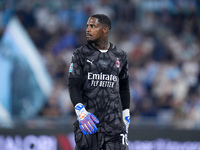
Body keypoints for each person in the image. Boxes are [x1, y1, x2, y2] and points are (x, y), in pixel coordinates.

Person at [68, 14, 131, 150]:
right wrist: (80, 111)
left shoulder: (120, 55)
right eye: (87, 26)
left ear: (105, 30)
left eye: (93, 26)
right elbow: (73, 86)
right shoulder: (80, 54)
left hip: (114, 125)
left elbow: (124, 87)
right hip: (89, 124)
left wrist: (126, 113)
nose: (88, 30)